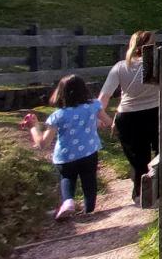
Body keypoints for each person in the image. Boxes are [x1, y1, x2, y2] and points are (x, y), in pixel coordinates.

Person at [22, 74, 103, 219]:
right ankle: (89, 210)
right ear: (84, 90)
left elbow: (43, 143)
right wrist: (98, 123)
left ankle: (68, 202)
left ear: (60, 93)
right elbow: (107, 121)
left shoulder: (58, 115)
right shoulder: (94, 106)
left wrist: (33, 126)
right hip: (89, 153)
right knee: (89, 180)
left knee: (67, 178)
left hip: (66, 156)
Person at [97, 31, 159, 204]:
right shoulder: (158, 63)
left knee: (138, 159)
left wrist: (106, 120)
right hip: (155, 112)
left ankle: (139, 193)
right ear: (151, 46)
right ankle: (157, 189)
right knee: (161, 152)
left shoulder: (120, 66)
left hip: (127, 117)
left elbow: (102, 99)